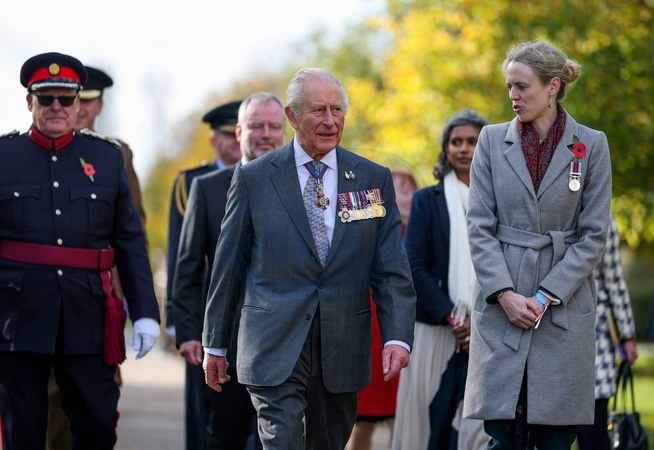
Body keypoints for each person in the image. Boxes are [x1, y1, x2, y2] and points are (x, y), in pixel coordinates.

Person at [202, 67, 416, 450]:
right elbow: (228, 268)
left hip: (343, 345)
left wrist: (397, 337)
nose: (330, 121)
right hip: (272, 342)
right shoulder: (254, 179)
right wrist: (215, 344)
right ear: (293, 116)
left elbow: (390, 271)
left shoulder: (372, 179)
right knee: (280, 441)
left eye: (337, 110)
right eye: (319, 110)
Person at [0, 52, 160, 450]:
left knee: (97, 424)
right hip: (17, 317)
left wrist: (145, 312)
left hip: (87, 314)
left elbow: (129, 241)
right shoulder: (4, 156)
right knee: (23, 430)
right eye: (46, 97)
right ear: (29, 101)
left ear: (77, 103)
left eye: (66, 98)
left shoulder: (106, 158)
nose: (56, 106)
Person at [462, 40, 613, 450]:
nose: (512, 96)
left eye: (522, 86)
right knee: (502, 435)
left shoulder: (591, 145)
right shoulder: (491, 141)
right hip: (502, 305)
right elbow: (479, 226)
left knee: (556, 436)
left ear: (553, 87)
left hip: (564, 307)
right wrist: (505, 295)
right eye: (509, 86)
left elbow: (594, 234)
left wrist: (546, 296)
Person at [172, 92, 287, 449]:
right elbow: (188, 268)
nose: (265, 134)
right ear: (239, 132)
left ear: (285, 131)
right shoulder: (206, 189)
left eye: (274, 126)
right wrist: (190, 333)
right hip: (228, 345)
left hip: (287, 343)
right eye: (256, 126)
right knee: (225, 438)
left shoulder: (305, 186)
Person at [45, 64, 152, 450]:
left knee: (97, 405)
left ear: (97, 106)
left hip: (97, 301)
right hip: (43, 301)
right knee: (48, 401)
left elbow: (132, 232)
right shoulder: (30, 150)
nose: (78, 109)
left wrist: (133, 304)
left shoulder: (116, 154)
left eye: (86, 101)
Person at [392, 109, 490, 450]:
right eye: (456, 141)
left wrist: (478, 321)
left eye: (473, 142)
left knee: (479, 429)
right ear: (446, 148)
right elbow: (414, 266)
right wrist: (454, 318)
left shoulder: (499, 201)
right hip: (436, 329)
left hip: (487, 330)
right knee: (426, 427)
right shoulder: (426, 200)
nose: (464, 149)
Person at [165, 99, 241, 450]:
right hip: (204, 311)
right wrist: (180, 321)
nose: (236, 142)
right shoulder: (192, 182)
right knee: (205, 411)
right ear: (214, 140)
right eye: (228, 135)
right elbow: (182, 257)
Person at [347, 169, 417, 450]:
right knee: (364, 415)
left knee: (404, 414)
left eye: (412, 192)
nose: (408, 198)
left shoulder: (419, 233)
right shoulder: (370, 229)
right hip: (372, 325)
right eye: (402, 191)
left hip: (407, 327)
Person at [576, 214, 638, 450]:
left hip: (588, 333)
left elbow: (614, 282)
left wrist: (627, 335)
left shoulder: (602, 219)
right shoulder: (602, 218)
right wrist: (627, 335)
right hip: (590, 335)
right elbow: (614, 280)